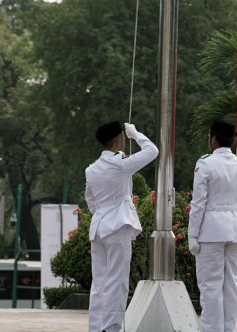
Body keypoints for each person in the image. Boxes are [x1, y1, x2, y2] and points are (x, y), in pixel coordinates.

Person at [85, 121, 158, 332]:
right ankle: (111, 328)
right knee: (117, 282)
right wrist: (136, 134)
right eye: (124, 140)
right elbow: (152, 150)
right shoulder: (121, 164)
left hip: (99, 226)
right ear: (118, 141)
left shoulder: (92, 169)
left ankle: (96, 328)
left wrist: (102, 214)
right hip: (118, 225)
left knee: (99, 283)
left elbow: (90, 199)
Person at [188, 120, 237, 332]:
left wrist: (192, 236)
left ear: (213, 139)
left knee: (210, 287)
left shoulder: (206, 164)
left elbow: (198, 204)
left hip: (210, 232)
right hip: (236, 231)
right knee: (231, 287)